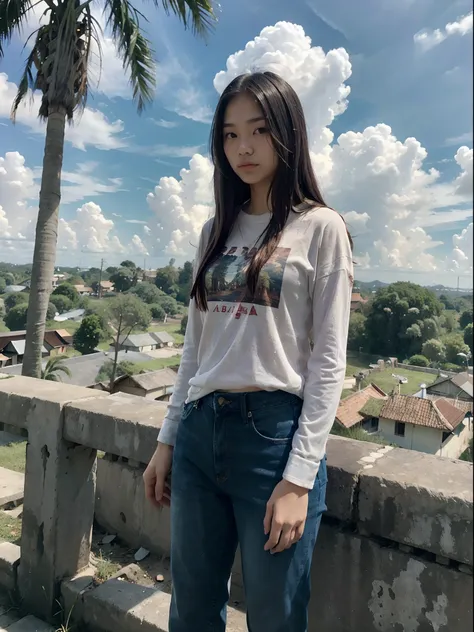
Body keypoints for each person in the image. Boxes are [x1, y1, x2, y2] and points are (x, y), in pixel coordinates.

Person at [143, 71, 353, 632]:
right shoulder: (216, 228)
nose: (244, 148)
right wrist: (168, 439)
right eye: (230, 135)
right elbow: (196, 346)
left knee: (274, 616)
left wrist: (299, 479)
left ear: (288, 134)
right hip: (199, 433)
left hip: (273, 441)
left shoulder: (321, 227)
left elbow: (329, 361)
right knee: (190, 609)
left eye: (258, 130)